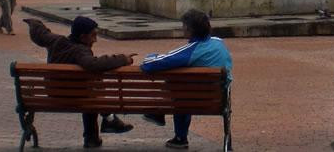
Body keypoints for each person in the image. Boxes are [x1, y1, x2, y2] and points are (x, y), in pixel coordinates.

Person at [24, 16, 135, 148]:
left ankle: (108, 121)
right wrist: (123, 59)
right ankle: (96, 133)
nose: (95, 40)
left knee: (89, 88)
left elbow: (40, 35)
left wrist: (34, 23)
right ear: (83, 37)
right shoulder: (81, 51)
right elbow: (93, 64)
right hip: (75, 98)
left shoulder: (56, 40)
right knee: (91, 92)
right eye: (93, 35)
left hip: (53, 95)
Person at [141, 9, 233, 150]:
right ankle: (226, 140)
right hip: (218, 98)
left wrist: (150, 56)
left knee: (179, 83)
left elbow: (151, 65)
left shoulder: (192, 50)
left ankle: (172, 128)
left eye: (184, 26)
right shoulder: (219, 43)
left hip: (189, 99)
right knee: (184, 84)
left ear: (190, 30)